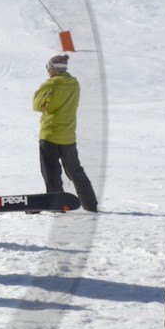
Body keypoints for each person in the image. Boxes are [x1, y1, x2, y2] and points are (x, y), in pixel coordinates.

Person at [32, 54, 98, 212]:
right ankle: (90, 204)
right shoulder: (74, 84)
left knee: (51, 171)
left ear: (54, 69)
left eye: (48, 67)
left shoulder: (50, 85)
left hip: (50, 134)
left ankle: (57, 205)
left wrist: (45, 106)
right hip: (68, 136)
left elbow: (36, 104)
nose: (48, 71)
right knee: (75, 171)